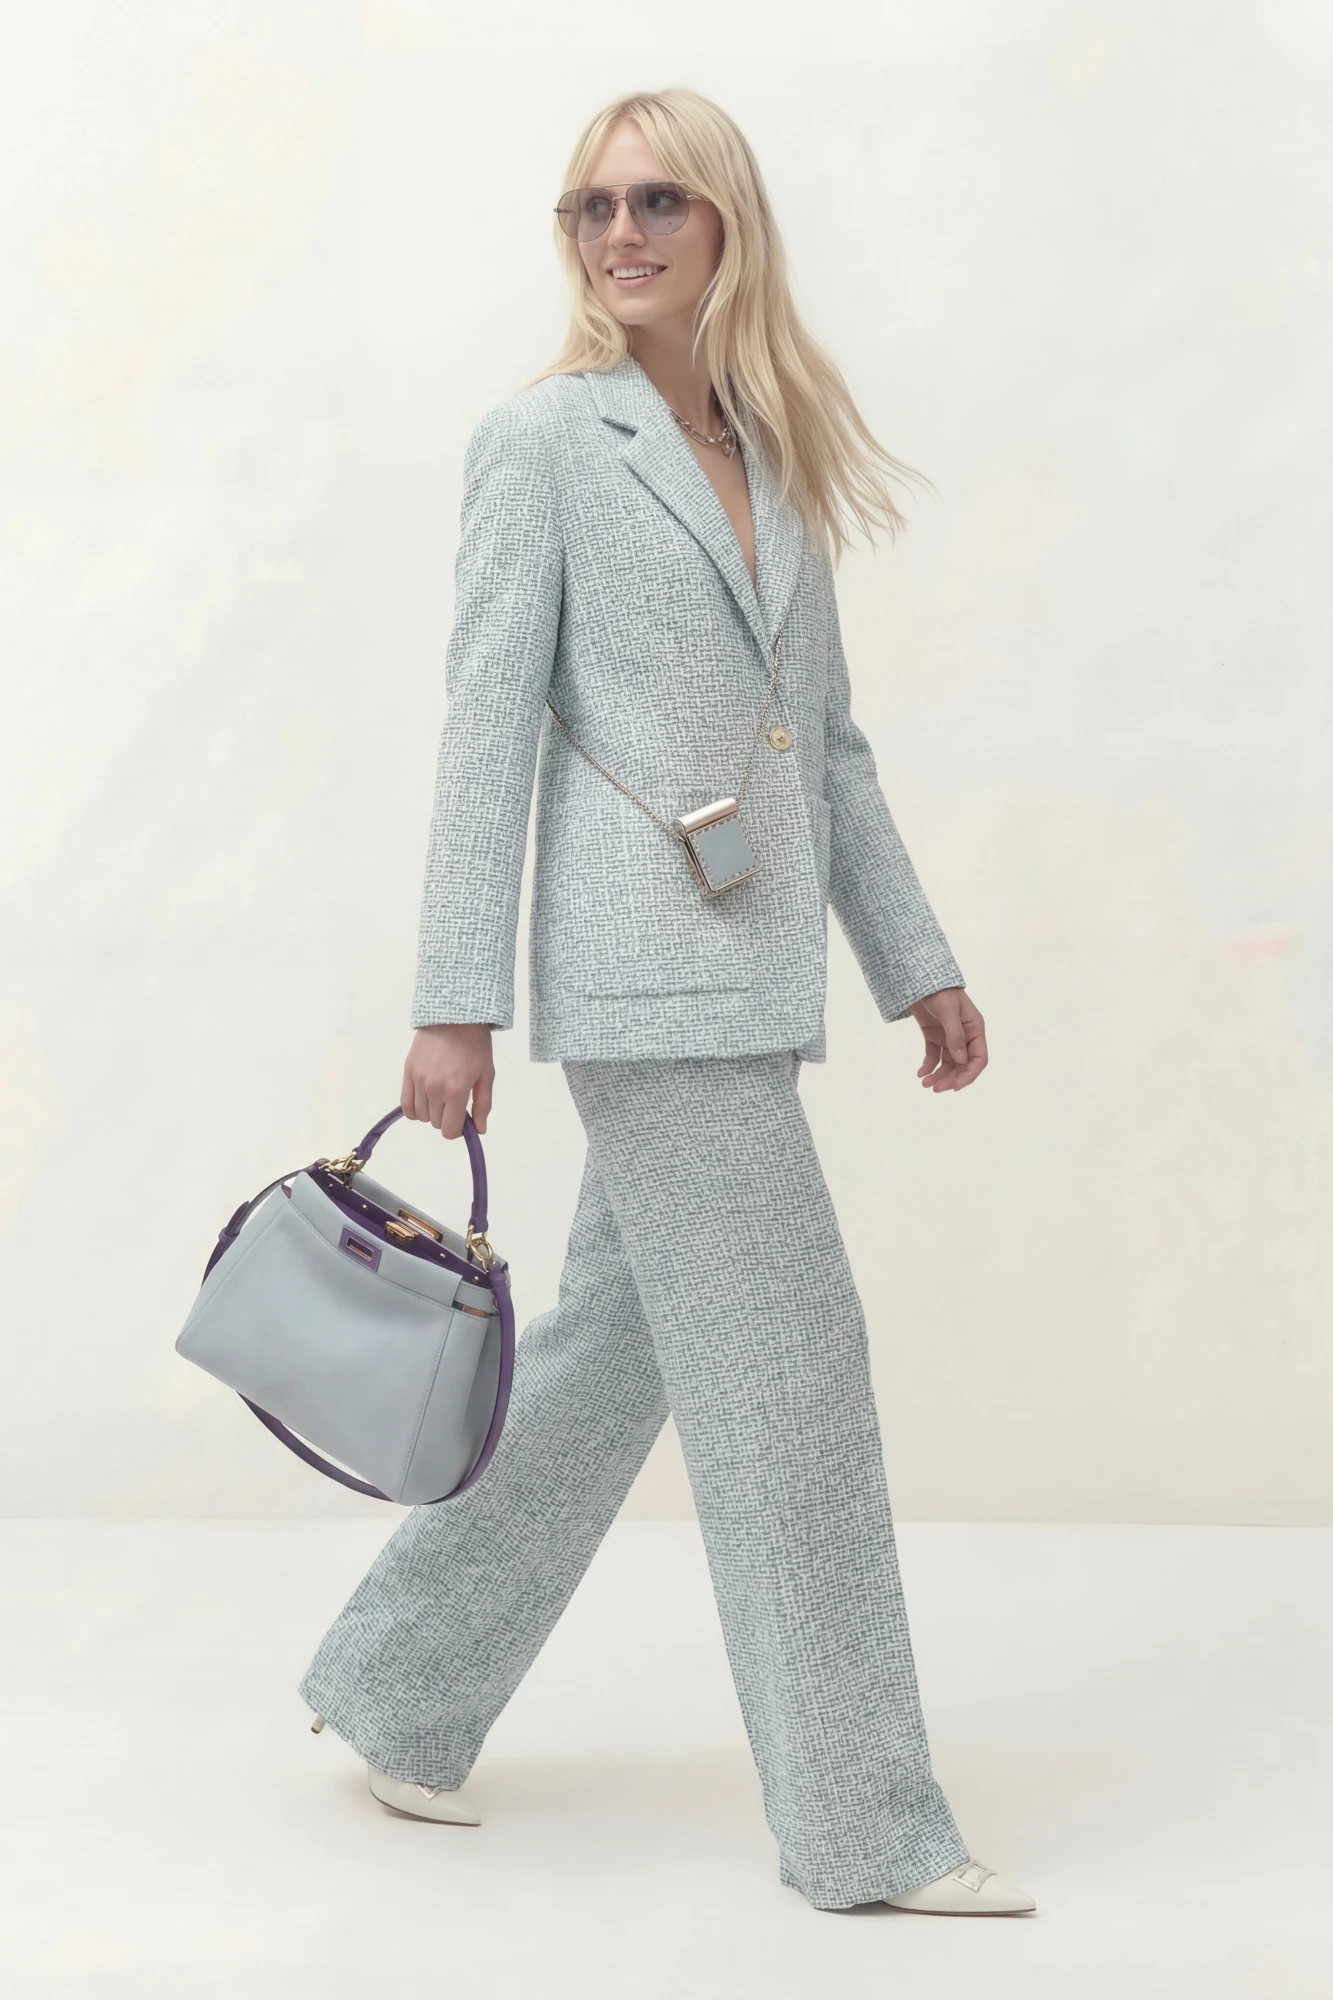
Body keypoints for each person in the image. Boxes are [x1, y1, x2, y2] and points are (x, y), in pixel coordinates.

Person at [298, 85, 1034, 1919]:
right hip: (642, 978)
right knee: (797, 1389)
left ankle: (398, 1686)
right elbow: (485, 730)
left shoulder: (772, 448)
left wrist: (918, 961)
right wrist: (453, 1001)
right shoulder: (543, 444)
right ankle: (866, 1830)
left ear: (727, 225)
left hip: (758, 962)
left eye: (657, 203)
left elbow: (828, 744)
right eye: (591, 207)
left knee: (610, 1358)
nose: (619, 235)